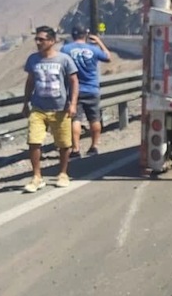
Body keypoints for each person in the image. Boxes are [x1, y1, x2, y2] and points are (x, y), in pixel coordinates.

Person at [22, 25, 78, 193]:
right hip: (38, 107)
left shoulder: (64, 59)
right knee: (34, 142)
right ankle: (37, 177)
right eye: (36, 39)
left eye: (42, 39)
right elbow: (30, 81)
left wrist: (73, 103)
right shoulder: (33, 59)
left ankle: (62, 173)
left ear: (52, 41)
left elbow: (74, 81)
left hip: (60, 108)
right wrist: (25, 102)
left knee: (63, 144)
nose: (38, 42)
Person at [62, 23, 111, 157]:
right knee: (94, 119)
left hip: (74, 91)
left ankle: (76, 149)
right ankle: (94, 146)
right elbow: (108, 57)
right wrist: (100, 42)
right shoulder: (93, 49)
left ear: (73, 35)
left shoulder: (65, 49)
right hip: (92, 89)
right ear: (86, 35)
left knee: (75, 120)